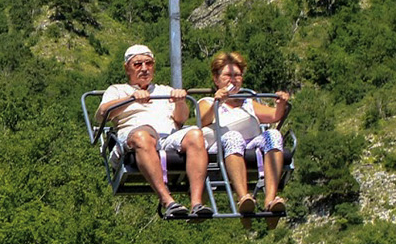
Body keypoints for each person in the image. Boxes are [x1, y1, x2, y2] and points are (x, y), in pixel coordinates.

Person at [95, 45, 211, 219]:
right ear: (127, 68)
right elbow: (101, 114)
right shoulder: (117, 90)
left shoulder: (164, 90)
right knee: (144, 136)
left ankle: (196, 202)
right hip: (135, 136)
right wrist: (131, 99)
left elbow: (181, 119)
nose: (144, 68)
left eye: (148, 63)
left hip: (167, 136)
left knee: (195, 134)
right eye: (137, 64)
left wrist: (180, 102)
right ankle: (167, 201)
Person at [197, 51, 292, 225]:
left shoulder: (247, 102)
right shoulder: (208, 102)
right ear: (216, 79)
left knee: (273, 134)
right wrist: (219, 102)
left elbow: (273, 116)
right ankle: (243, 197)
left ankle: (270, 200)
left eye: (237, 76)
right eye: (227, 75)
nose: (233, 80)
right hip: (222, 145)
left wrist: (281, 104)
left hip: (250, 144)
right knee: (234, 136)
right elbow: (202, 120)